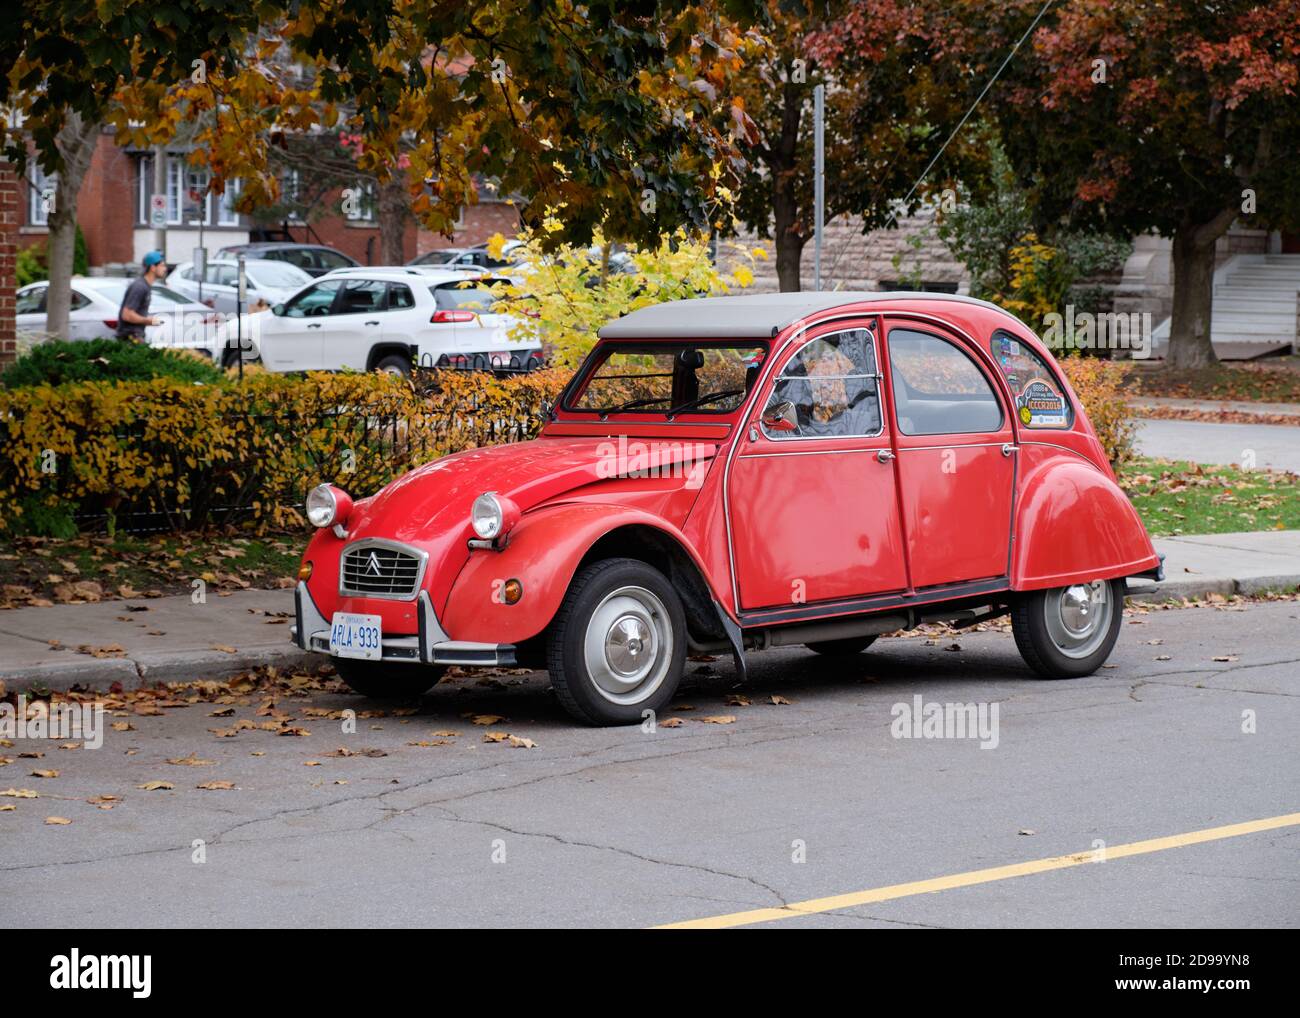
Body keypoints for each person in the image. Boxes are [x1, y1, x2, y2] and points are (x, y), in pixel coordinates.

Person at [116, 250, 167, 341]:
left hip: (135, 337)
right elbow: (127, 315)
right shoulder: (139, 287)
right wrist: (149, 321)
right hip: (130, 338)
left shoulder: (145, 286)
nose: (165, 269)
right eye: (162, 265)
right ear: (152, 267)